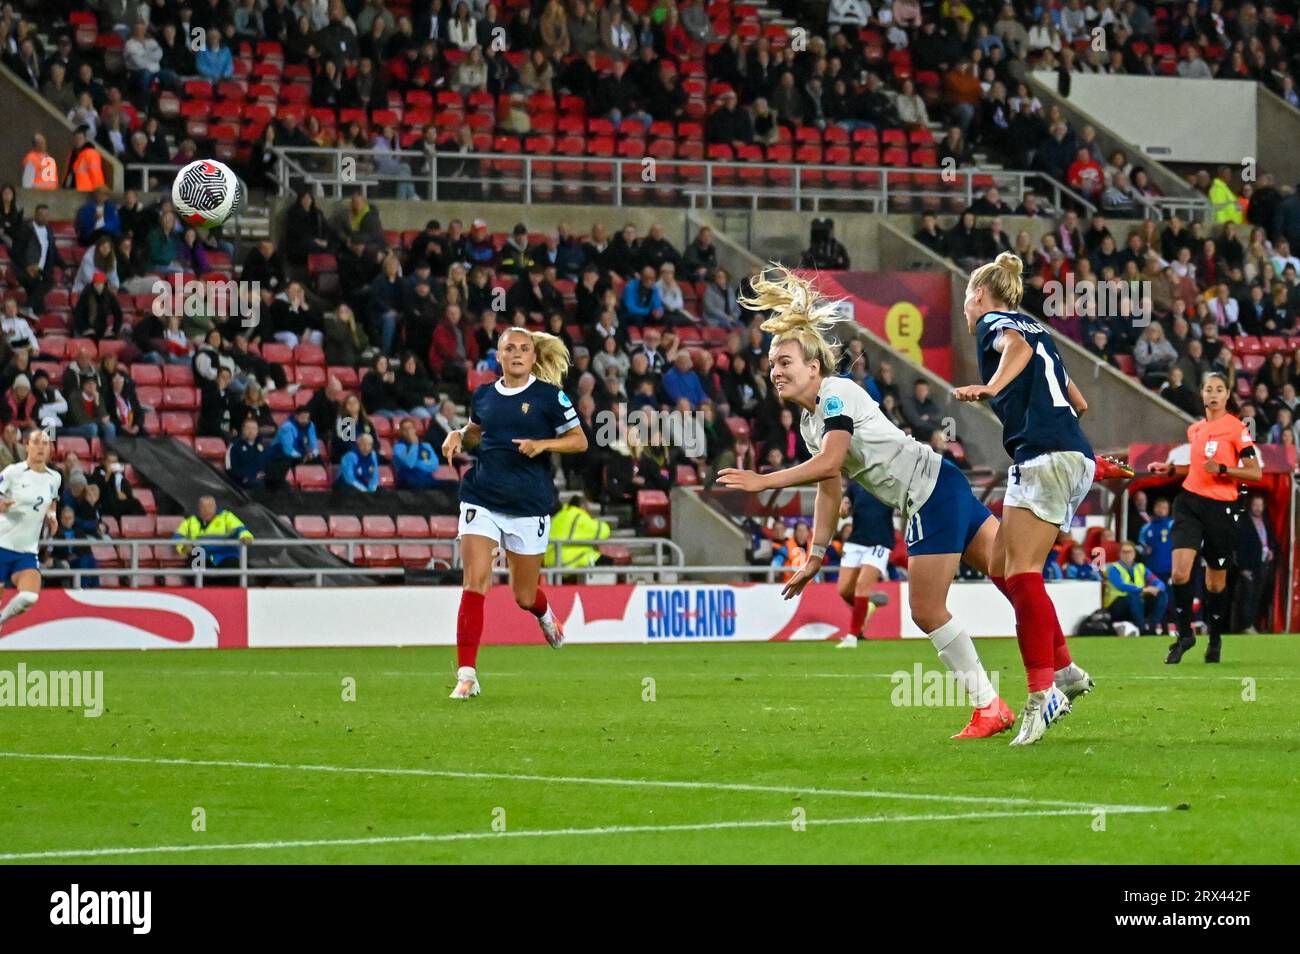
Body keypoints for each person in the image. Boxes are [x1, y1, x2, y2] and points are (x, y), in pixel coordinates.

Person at [716, 266, 1018, 740]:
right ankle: (1061, 676)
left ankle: (989, 706)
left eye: (786, 362)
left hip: (929, 495)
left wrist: (762, 481)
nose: (775, 371)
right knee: (1013, 576)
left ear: (814, 367)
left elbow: (830, 461)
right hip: (945, 481)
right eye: (773, 363)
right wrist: (816, 555)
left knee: (926, 610)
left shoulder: (836, 395)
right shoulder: (810, 423)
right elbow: (830, 486)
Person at [953, 251, 1097, 745]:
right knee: (999, 564)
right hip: (1052, 454)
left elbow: (1017, 350)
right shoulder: (1037, 326)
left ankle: (1043, 695)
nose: (966, 310)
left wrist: (990, 386)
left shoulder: (995, 322)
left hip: (1047, 457)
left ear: (978, 294)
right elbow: (1078, 401)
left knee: (1021, 573)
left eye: (966, 300)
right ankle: (1066, 671)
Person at [440, 328, 589, 700]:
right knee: (476, 582)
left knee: (523, 595)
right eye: (510, 348)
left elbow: (580, 440)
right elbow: (476, 432)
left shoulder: (550, 397)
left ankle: (545, 615)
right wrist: (458, 433)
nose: (518, 353)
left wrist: (543, 444)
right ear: (499, 355)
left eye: (525, 348)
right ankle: (467, 675)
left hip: (528, 504)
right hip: (481, 497)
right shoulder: (485, 395)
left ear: (534, 356)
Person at [1148, 372, 1261, 663]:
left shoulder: (1237, 428)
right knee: (1180, 572)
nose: (1213, 394)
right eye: (1208, 388)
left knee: (1214, 584)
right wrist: (1172, 470)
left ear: (1226, 395)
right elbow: (1198, 469)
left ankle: (1215, 638)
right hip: (1188, 503)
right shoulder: (1195, 429)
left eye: (1219, 389)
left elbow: (1254, 471)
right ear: (1201, 394)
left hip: (1220, 509)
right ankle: (1185, 634)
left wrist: (1224, 470)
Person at [0, 430, 60, 632]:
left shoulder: (55, 478)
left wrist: (52, 517)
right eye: (36, 442)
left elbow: (51, 502)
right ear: (26, 446)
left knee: (30, 596)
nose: (41, 447)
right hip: (1, 544)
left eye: (45, 443)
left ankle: (1, 620)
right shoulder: (12, 472)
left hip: (27, 550)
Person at [834, 479, 895, 648]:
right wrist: (843, 509)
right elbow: (843, 511)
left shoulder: (889, 482)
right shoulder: (855, 485)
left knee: (862, 585)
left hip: (880, 542)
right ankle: (867, 605)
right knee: (844, 590)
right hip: (856, 541)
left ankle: (853, 636)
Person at [173, 495, 254, 579]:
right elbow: (178, 536)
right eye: (203, 507)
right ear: (199, 509)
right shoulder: (190, 521)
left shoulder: (226, 517)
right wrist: (184, 546)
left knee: (234, 567)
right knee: (192, 568)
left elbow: (240, 529)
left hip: (226, 555)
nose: (206, 510)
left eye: (210, 507)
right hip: (202, 556)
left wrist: (245, 536)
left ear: (215, 507)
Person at [1104, 541, 1168, 636]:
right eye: (1124, 552)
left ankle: (1152, 627)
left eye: (1129, 552)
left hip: (1137, 602)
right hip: (1117, 604)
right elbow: (1121, 586)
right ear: (1120, 554)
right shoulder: (1113, 568)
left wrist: (1157, 588)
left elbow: (1159, 583)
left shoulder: (1140, 567)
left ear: (1134, 553)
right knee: (1133, 596)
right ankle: (1141, 629)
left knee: (1162, 595)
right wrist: (1143, 589)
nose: (1127, 555)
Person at [392, 418, 441, 489]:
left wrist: (418, 464)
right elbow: (409, 464)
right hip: (408, 480)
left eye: (410, 428)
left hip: (427, 478)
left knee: (453, 484)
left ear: (415, 429)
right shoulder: (398, 447)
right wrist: (414, 444)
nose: (408, 431)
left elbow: (434, 466)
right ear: (401, 432)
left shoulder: (426, 445)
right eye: (405, 429)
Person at [226, 418, 271, 490]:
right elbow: (230, 469)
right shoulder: (234, 446)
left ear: (257, 431)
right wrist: (251, 475)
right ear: (243, 430)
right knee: (262, 487)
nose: (251, 431)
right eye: (248, 428)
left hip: (263, 478)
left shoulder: (263, 446)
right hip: (243, 481)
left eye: (254, 429)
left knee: (282, 485)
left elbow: (269, 464)